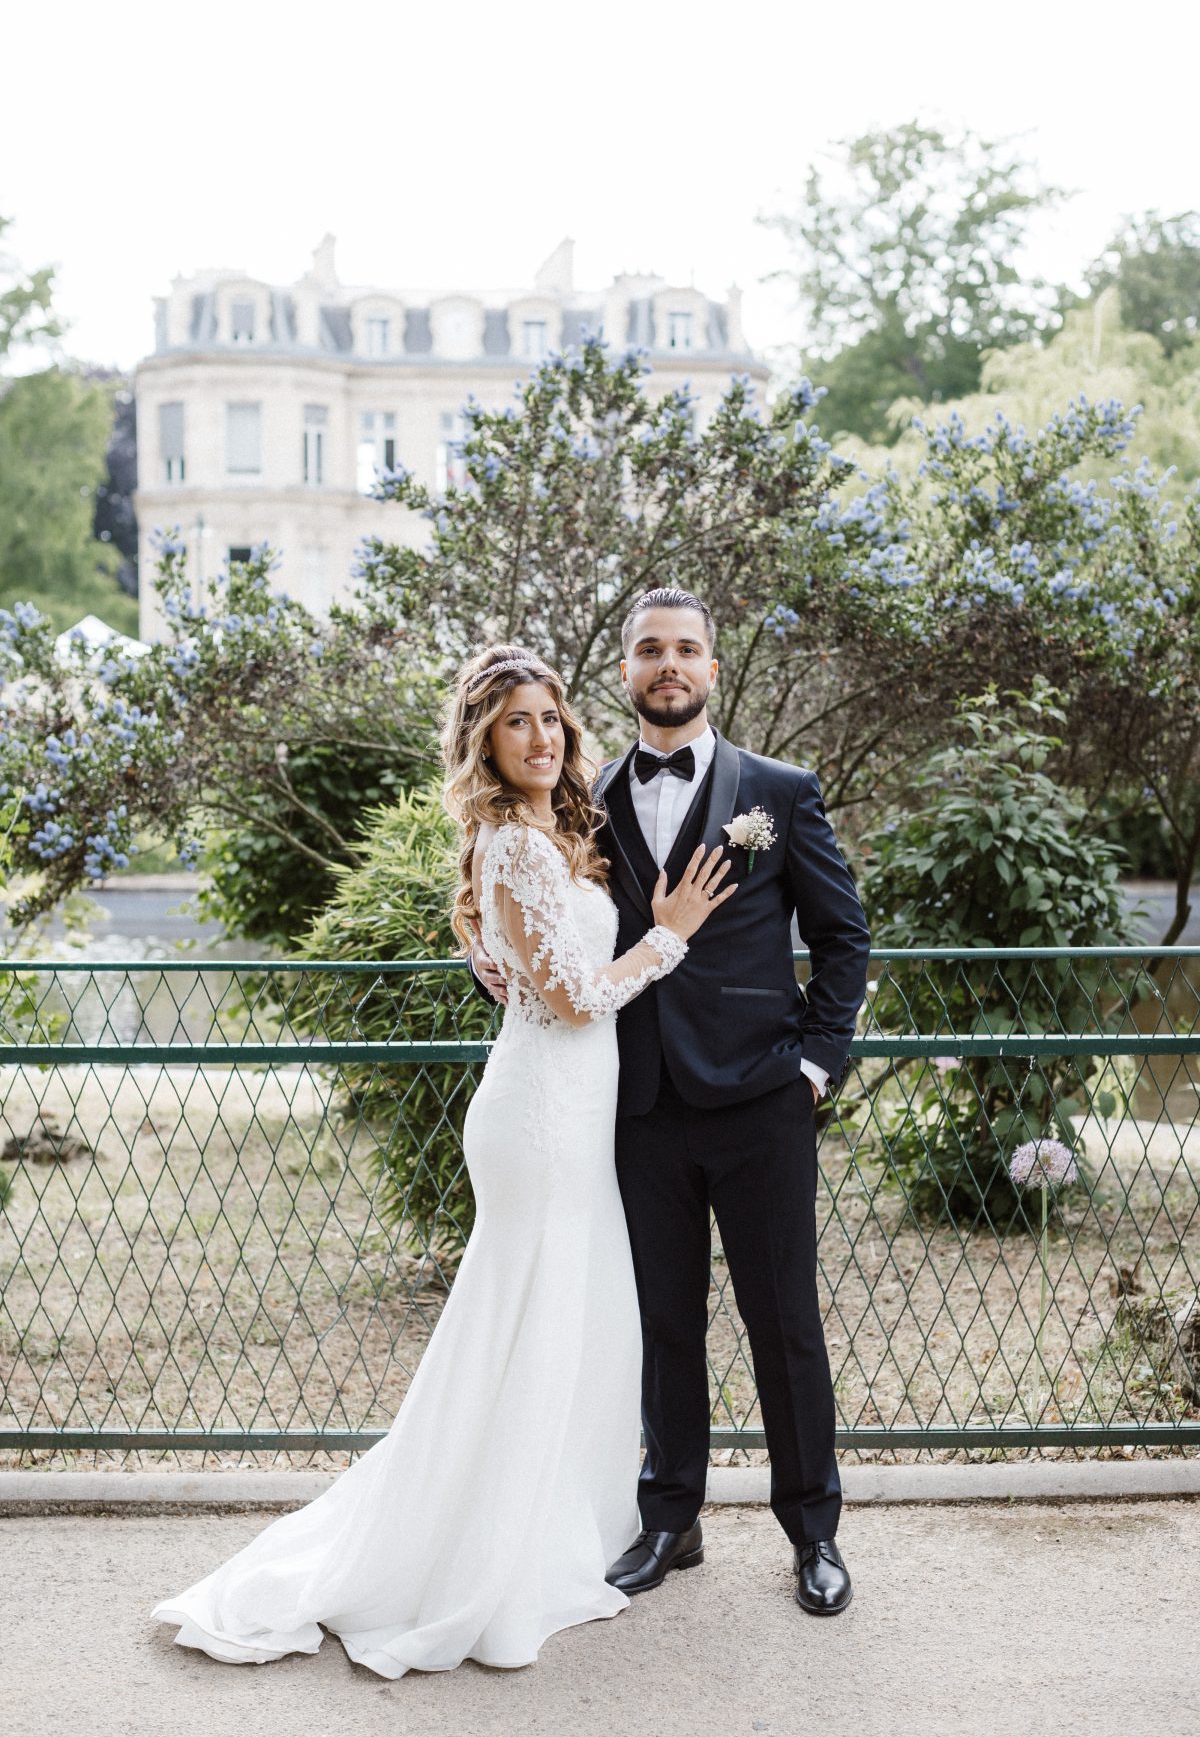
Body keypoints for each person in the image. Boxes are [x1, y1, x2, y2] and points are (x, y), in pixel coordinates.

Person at [151, 644, 733, 1678]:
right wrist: (670, 936)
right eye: (517, 721)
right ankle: (472, 1557)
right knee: (528, 1320)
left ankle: (542, 1524)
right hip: (541, 1118)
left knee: (563, 1320)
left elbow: (534, 974)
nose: (543, 737)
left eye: (551, 718)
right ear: (484, 740)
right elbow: (569, 999)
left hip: (569, 1110)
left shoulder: (546, 835)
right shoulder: (511, 844)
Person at [473, 588, 870, 1615]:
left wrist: (817, 1063)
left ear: (712, 668)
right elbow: (546, 921)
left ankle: (813, 1533)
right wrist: (497, 965)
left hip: (761, 1103)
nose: (670, 665)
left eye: (687, 649)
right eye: (650, 649)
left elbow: (843, 937)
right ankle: (669, 1520)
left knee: (783, 1320)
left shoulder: (780, 790)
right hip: (636, 1105)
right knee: (658, 1324)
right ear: (624, 671)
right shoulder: (584, 797)